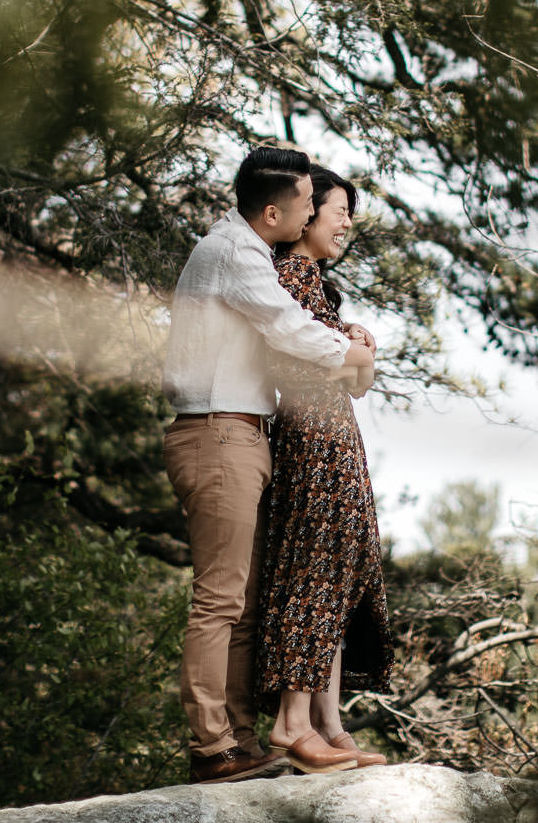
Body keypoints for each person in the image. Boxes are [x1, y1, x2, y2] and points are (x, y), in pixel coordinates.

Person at [163, 146, 378, 784]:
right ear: (274, 211)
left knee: (246, 602)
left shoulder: (251, 251)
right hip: (218, 431)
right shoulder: (237, 253)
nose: (314, 214)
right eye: (309, 204)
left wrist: (347, 341)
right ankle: (212, 747)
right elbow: (289, 329)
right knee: (221, 599)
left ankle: (239, 741)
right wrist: (356, 349)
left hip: (243, 432)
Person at [256, 166, 393, 773]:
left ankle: (328, 724)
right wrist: (354, 351)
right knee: (312, 575)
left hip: (334, 439)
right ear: (306, 213)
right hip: (312, 442)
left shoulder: (317, 286)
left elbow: (357, 380)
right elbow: (305, 369)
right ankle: (293, 724)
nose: (346, 224)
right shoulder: (289, 276)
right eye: (339, 211)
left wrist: (355, 350)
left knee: (337, 578)